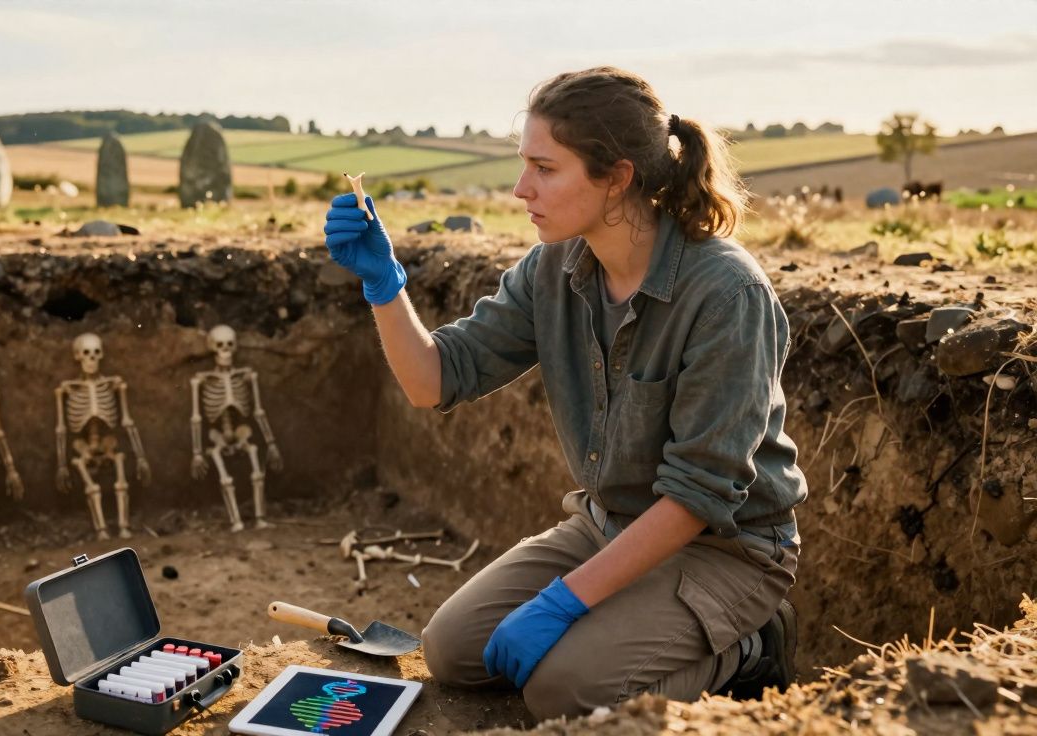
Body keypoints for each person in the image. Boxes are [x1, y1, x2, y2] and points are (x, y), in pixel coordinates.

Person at [322, 66, 805, 721]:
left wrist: (562, 603)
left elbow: (698, 495)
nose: (522, 189)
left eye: (545, 169)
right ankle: (625, 626)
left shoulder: (726, 295)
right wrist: (384, 284)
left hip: (725, 551)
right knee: (454, 651)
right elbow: (432, 380)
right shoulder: (555, 267)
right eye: (525, 165)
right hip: (608, 528)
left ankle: (751, 647)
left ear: (617, 178)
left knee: (564, 690)